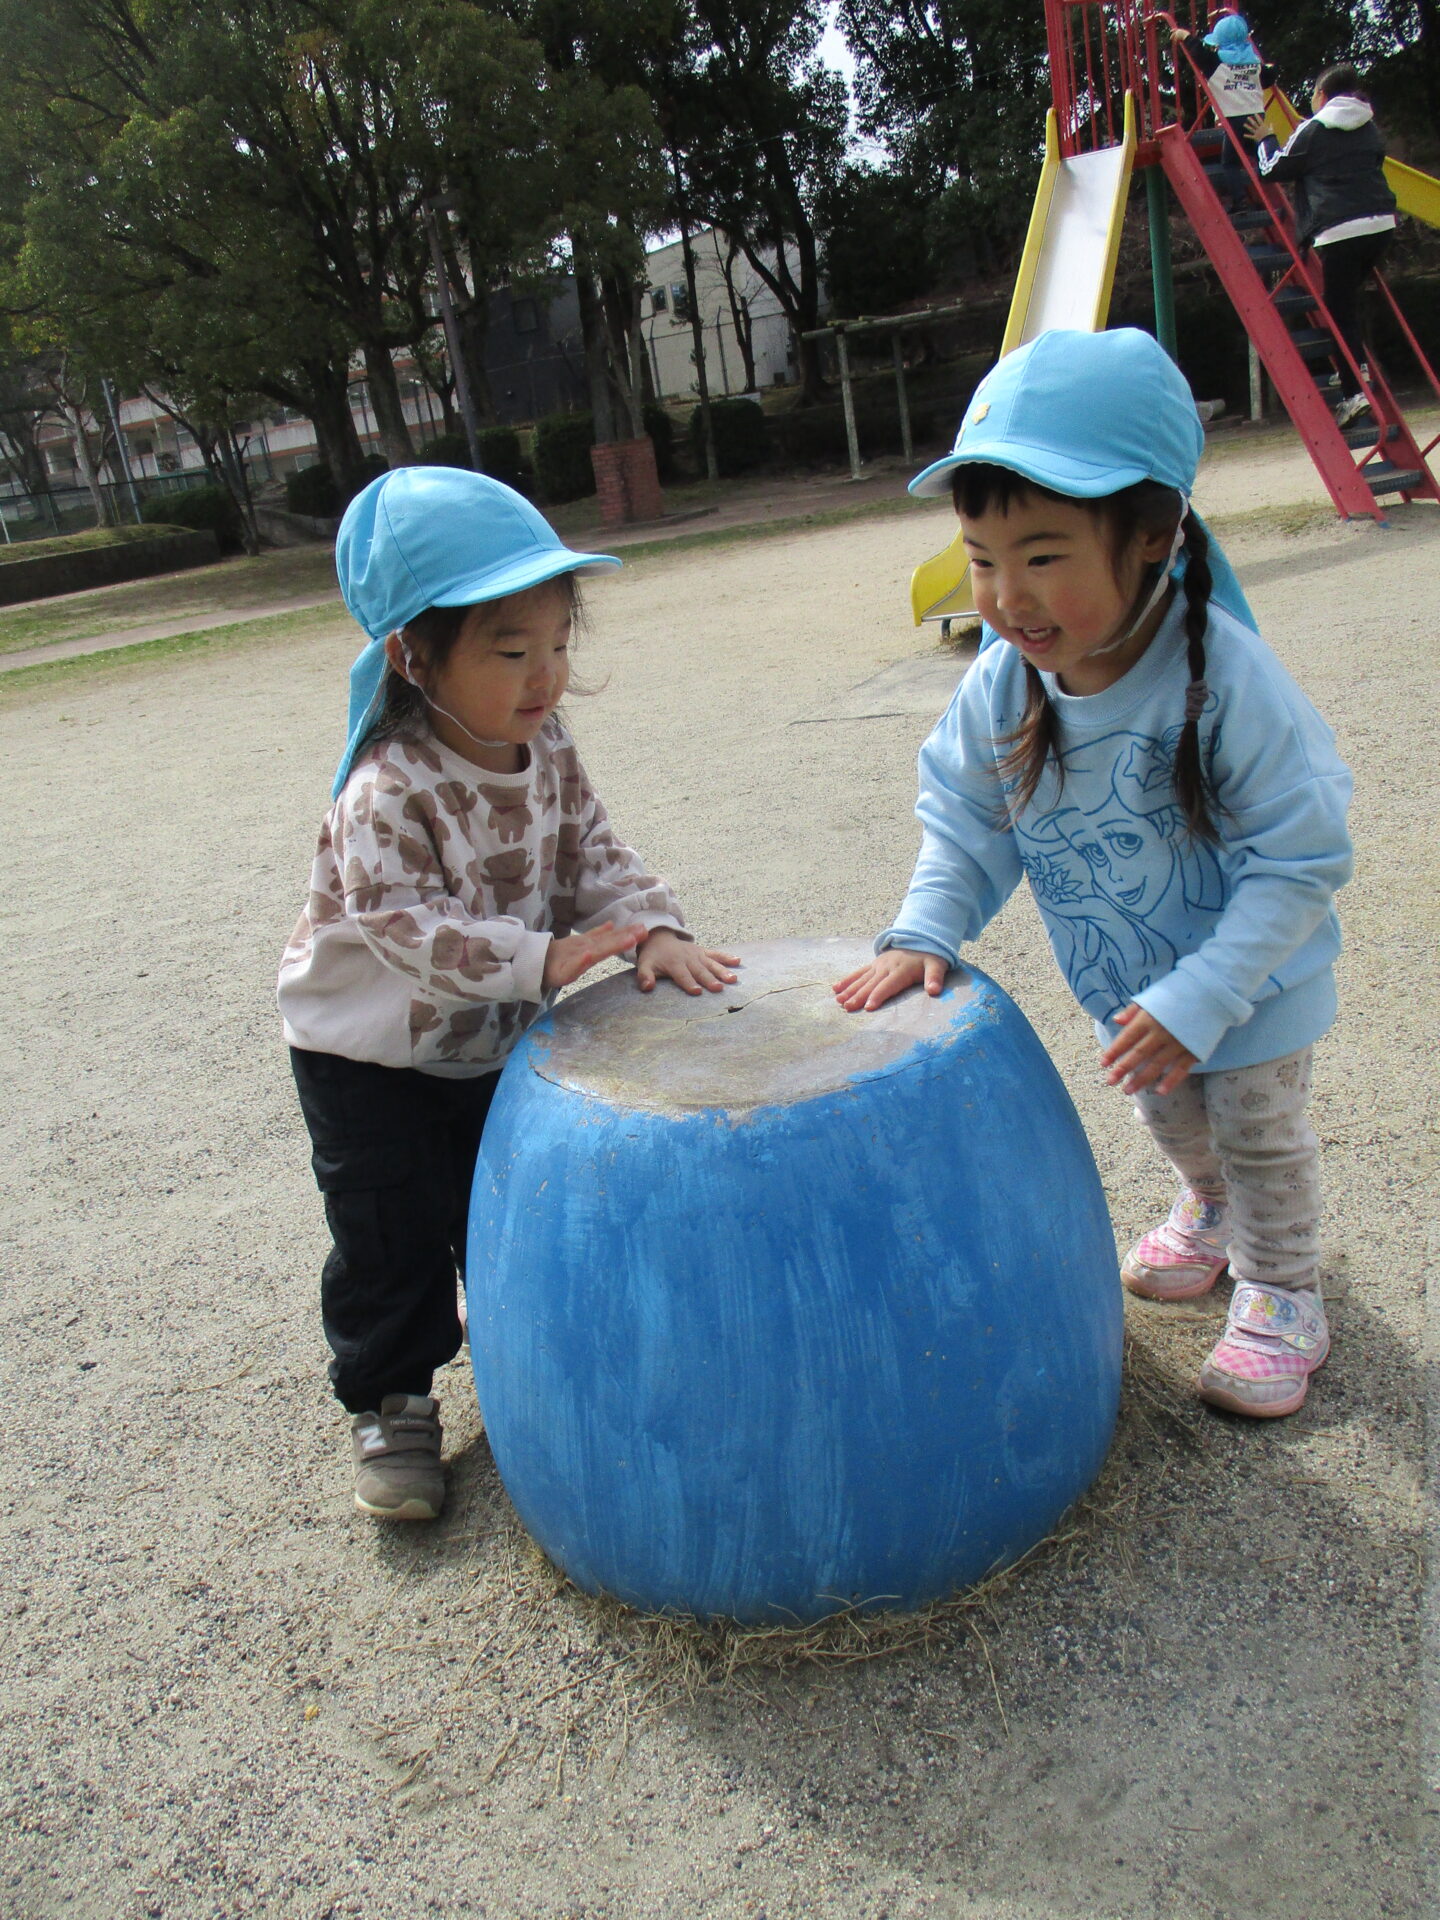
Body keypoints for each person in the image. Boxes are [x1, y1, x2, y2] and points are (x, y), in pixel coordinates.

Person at [834, 329, 1353, 1421]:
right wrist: (927, 926)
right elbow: (964, 817)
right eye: (982, 559)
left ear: (1155, 533)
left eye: (1042, 555)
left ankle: (1282, 1288)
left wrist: (1206, 995)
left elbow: (1301, 854)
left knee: (1256, 1130)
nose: (1006, 595)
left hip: (1250, 978)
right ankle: (1209, 1208)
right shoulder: (1004, 683)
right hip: (1130, 985)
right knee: (1175, 1121)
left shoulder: (1223, 676)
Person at [279, 467, 739, 1520]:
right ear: (414, 656)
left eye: (559, 642)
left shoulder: (547, 747)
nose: (546, 675)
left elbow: (592, 852)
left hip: (487, 1039)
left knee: (506, 1203)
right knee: (393, 1233)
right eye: (510, 649)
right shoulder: (385, 790)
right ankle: (392, 1400)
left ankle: (530, 1359)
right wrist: (547, 959)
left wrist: (652, 925)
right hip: (370, 1058)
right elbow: (407, 930)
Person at [1248, 64, 1399, 427]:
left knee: (1338, 311)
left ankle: (1353, 392)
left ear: (1321, 95)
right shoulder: (1369, 126)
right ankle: (1355, 366)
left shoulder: (1313, 129)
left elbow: (1272, 170)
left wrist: (1266, 138)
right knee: (1345, 303)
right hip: (1381, 223)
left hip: (1339, 228)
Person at [1172, 12, 1275, 209]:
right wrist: (1271, 68)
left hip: (1233, 118)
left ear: (1220, 44)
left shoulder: (1216, 63)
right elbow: (1269, 78)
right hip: (1256, 116)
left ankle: (1240, 201)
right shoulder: (1255, 65)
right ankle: (1265, 196)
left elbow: (1198, 52)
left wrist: (1184, 36)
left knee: (1230, 162)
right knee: (1256, 153)